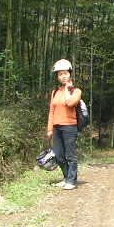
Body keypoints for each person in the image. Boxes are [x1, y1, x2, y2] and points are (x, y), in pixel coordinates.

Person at [46, 59, 82, 190]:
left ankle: (71, 181)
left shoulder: (76, 91)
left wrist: (67, 89)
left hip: (69, 127)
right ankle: (66, 177)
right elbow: (51, 111)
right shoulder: (54, 92)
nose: (63, 76)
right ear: (57, 76)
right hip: (56, 127)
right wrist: (49, 129)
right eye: (60, 74)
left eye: (65, 73)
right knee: (59, 155)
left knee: (70, 155)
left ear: (70, 74)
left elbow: (70, 103)